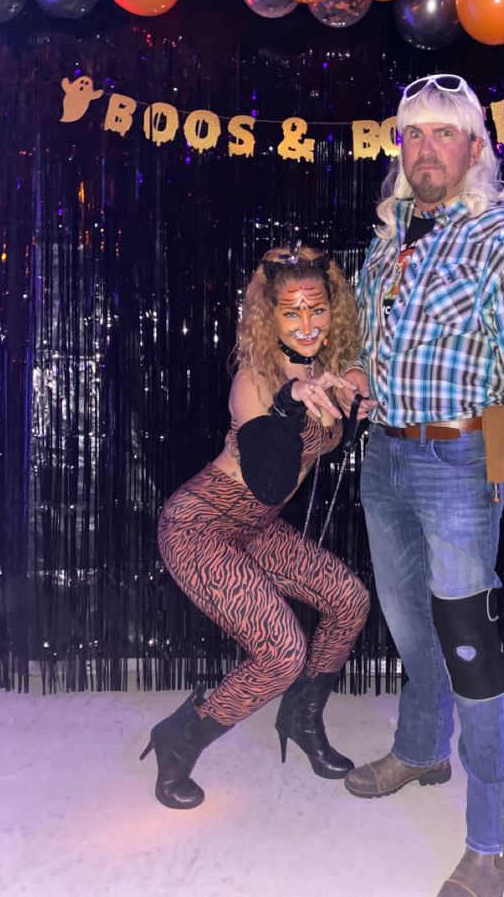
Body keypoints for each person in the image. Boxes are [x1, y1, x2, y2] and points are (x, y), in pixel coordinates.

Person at [336, 74, 504, 897]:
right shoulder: (388, 239)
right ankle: (420, 749)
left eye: (444, 133)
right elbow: (380, 343)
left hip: (468, 455)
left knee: (470, 649)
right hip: (386, 452)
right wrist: (356, 378)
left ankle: (495, 838)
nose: (426, 149)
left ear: (475, 148)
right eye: (412, 135)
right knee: (411, 627)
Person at [142, 245, 370, 810]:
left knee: (349, 599)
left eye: (316, 310)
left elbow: (340, 421)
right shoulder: (254, 380)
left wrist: (355, 394)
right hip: (200, 528)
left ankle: (300, 719)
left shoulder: (327, 373)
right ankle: (179, 737)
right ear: (269, 318)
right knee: (280, 652)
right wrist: (293, 403)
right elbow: (270, 478)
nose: (307, 324)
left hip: (256, 529)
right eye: (291, 313)